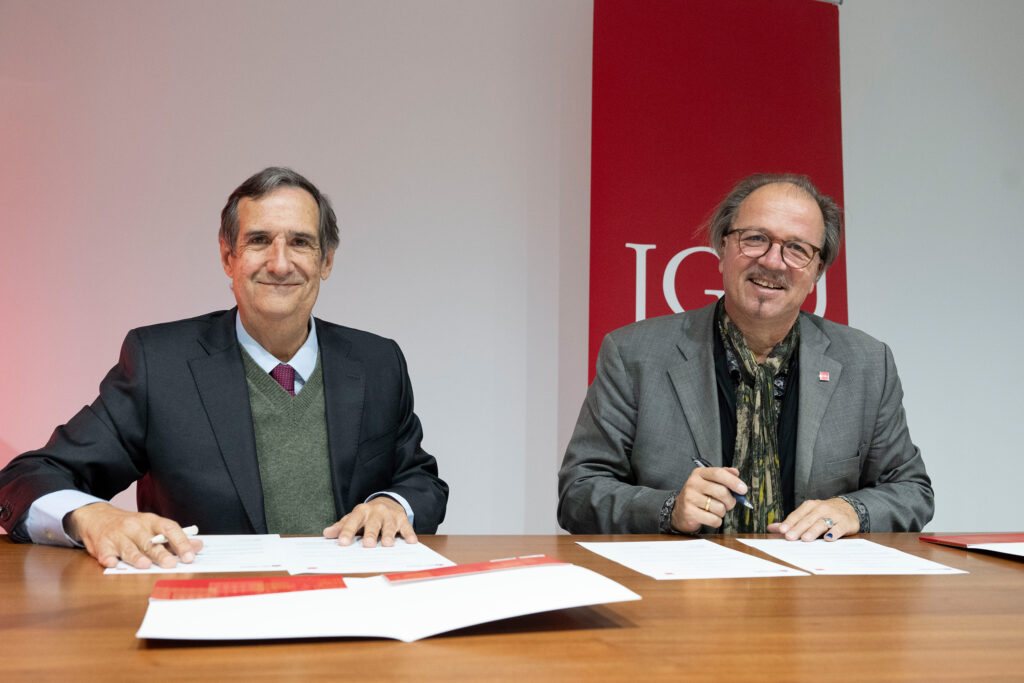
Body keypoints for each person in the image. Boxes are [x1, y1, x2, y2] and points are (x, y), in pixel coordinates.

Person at [0, 167, 448, 568]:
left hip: (354, 615)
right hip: (206, 615)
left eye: (300, 242)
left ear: (326, 260)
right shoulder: (161, 364)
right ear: (227, 256)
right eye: (258, 241)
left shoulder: (377, 362)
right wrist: (93, 516)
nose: (279, 262)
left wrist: (394, 503)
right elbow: (25, 478)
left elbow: (419, 479)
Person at [557, 173, 932, 540]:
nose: (772, 261)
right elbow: (578, 491)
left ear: (818, 270)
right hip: (680, 591)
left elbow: (911, 490)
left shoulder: (867, 363)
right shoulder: (633, 354)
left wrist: (853, 511)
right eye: (755, 239)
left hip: (816, 594)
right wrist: (669, 509)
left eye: (797, 249)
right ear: (723, 249)